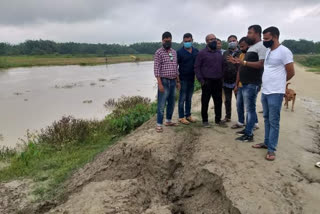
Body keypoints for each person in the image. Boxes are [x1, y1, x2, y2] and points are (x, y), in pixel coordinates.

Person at [252, 26, 295, 161]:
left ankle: (272, 149)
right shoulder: (269, 51)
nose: (264, 41)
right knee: (266, 118)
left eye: (267, 38)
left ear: (275, 37)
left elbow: (291, 72)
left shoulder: (284, 52)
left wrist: (280, 83)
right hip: (266, 90)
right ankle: (266, 142)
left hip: (276, 92)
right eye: (264, 38)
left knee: (274, 121)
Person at [228, 25, 267, 142]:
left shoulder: (262, 46)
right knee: (248, 109)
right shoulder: (252, 47)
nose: (247, 35)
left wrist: (243, 62)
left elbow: (261, 64)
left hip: (252, 83)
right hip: (245, 83)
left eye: (250, 33)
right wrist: (238, 62)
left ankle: (249, 134)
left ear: (257, 33)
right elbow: (245, 63)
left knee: (250, 109)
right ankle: (247, 130)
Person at [195, 34, 226, 128]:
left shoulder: (218, 53)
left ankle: (218, 119)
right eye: (211, 39)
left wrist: (222, 76)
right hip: (206, 81)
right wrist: (201, 80)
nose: (214, 41)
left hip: (217, 81)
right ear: (207, 41)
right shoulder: (202, 53)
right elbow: (197, 67)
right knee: (205, 101)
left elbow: (223, 65)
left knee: (218, 101)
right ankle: (205, 121)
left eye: (215, 39)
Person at [154, 31, 180, 133]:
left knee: (172, 103)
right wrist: (159, 83)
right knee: (161, 104)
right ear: (162, 41)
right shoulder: (158, 52)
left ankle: (168, 121)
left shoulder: (174, 52)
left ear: (171, 40)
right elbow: (156, 69)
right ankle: (159, 124)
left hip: (173, 81)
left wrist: (178, 81)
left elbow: (176, 67)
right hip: (164, 82)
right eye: (165, 41)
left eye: (169, 40)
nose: (167, 42)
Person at [231, 37, 259, 130]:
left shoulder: (254, 55)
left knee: (250, 106)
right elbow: (240, 70)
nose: (241, 48)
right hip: (241, 85)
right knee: (239, 104)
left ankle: (254, 123)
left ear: (249, 45)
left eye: (243, 46)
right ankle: (240, 122)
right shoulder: (241, 55)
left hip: (250, 84)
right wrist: (236, 84)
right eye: (240, 46)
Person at [177, 33, 199, 125]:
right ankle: (181, 117)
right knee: (182, 99)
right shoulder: (179, 52)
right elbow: (175, 67)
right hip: (182, 79)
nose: (187, 43)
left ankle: (188, 115)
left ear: (192, 40)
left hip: (191, 79)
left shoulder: (196, 51)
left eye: (189, 41)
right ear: (183, 41)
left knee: (189, 98)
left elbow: (198, 65)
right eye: (185, 41)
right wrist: (177, 80)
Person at [222, 35, 240, 122]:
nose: (232, 42)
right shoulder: (225, 53)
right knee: (227, 100)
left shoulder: (241, 53)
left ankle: (241, 119)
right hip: (226, 80)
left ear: (237, 42)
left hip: (237, 80)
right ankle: (227, 116)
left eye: (234, 40)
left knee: (239, 101)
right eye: (230, 41)